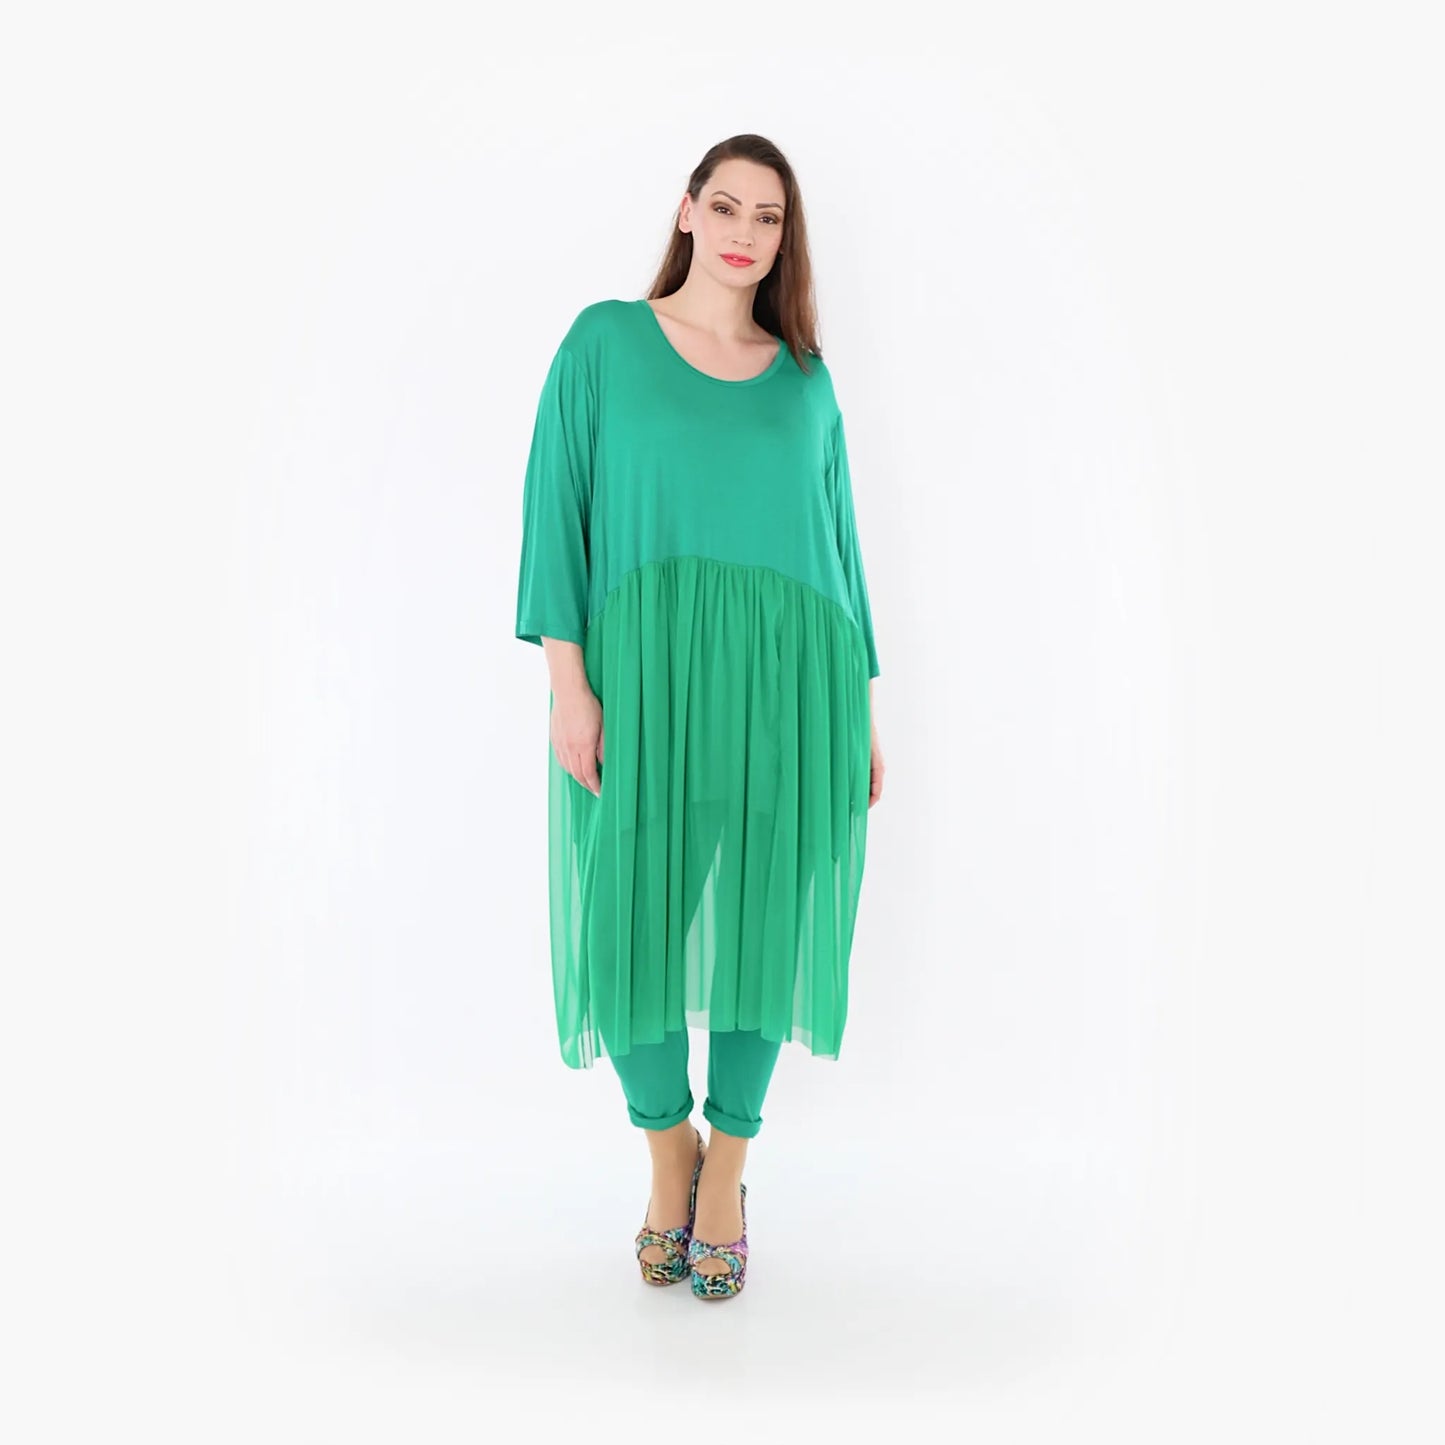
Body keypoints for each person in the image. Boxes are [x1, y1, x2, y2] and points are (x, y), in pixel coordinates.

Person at [514, 133, 885, 1300]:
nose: (743, 233)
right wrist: (569, 686)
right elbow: (555, 512)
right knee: (627, 925)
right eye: (724, 206)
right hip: (646, 679)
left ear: (784, 238)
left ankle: (726, 1165)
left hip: (791, 687)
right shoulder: (604, 343)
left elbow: (839, 549)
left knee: (764, 927)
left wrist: (862, 711)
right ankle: (667, 1148)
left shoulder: (804, 378)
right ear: (685, 212)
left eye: (767, 217)